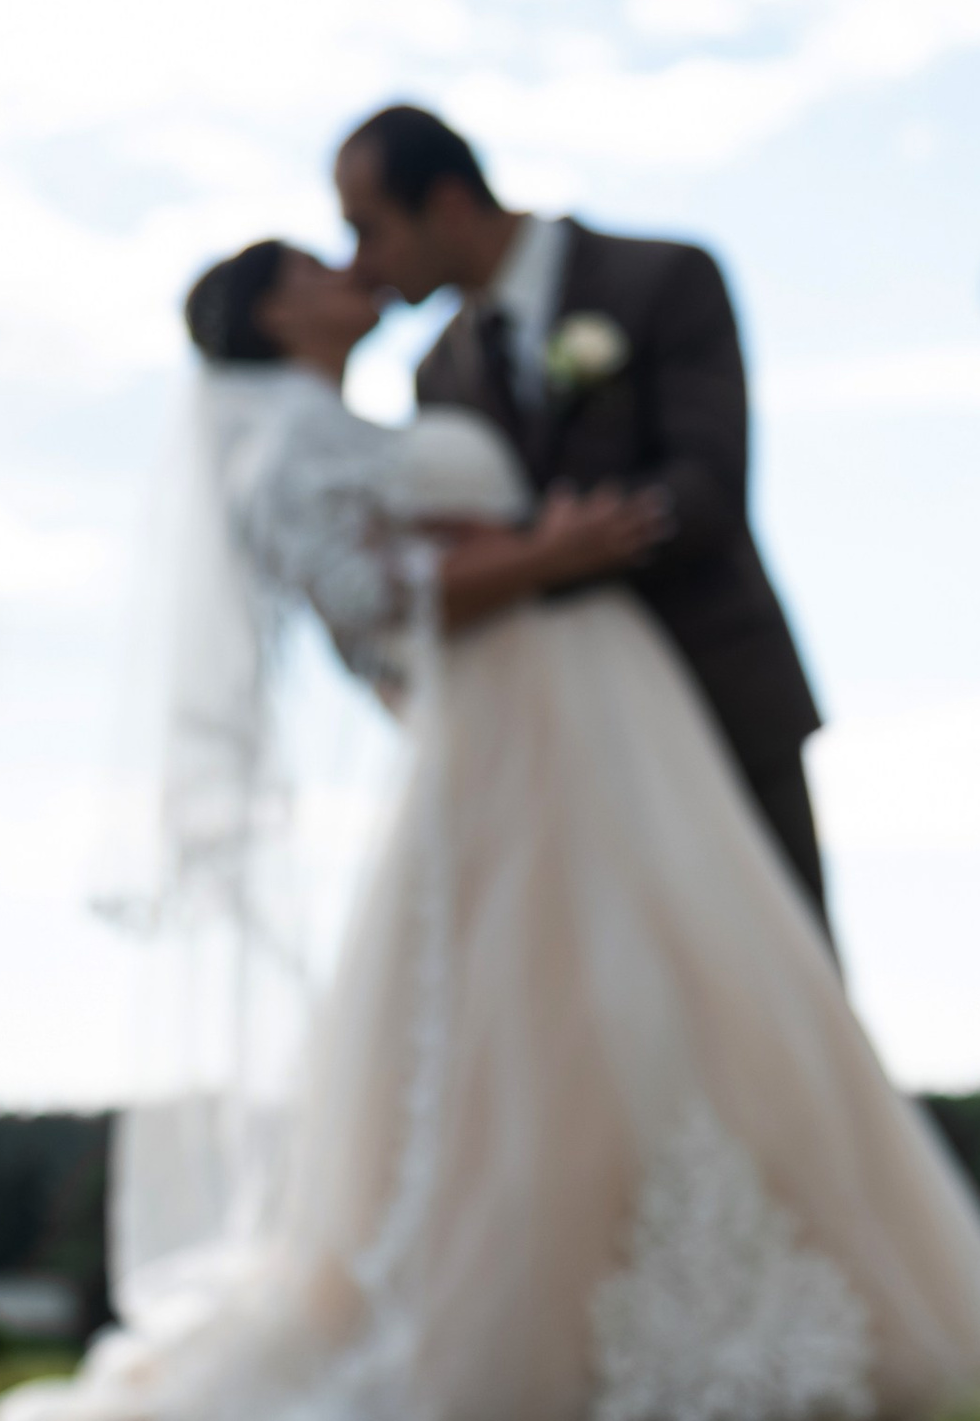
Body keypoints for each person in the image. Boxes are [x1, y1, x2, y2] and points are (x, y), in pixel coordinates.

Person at [0, 239, 980, 1421]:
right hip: (511, 729)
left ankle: (749, 1344)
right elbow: (360, 595)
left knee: (679, 997)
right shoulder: (290, 439)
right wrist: (546, 555)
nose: (353, 264)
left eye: (361, 229)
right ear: (273, 310)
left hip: (607, 712)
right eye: (322, 258)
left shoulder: (388, 398)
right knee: (524, 1030)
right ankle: (570, 1359)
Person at [333, 105, 829, 922]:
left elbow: (706, 486)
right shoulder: (439, 373)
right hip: (559, 745)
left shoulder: (665, 277)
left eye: (370, 229)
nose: (362, 264)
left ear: (449, 203)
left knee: (778, 981)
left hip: (717, 697)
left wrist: (542, 551)